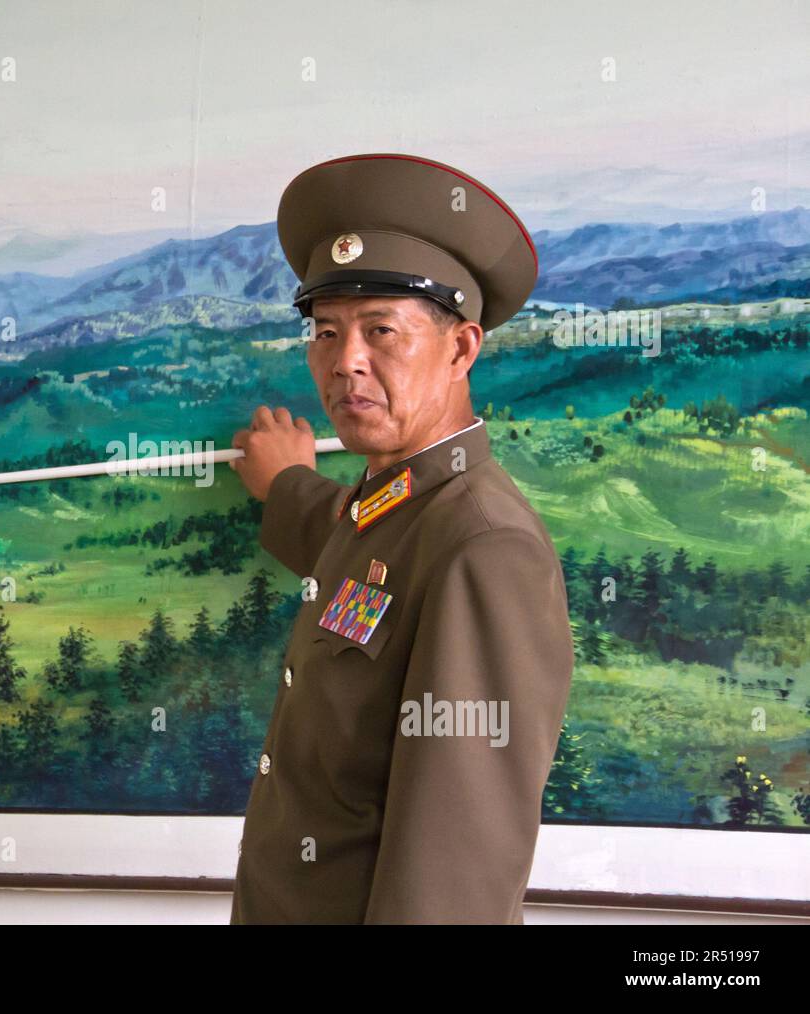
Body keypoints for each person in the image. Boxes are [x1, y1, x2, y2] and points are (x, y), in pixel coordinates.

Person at [227, 153, 574, 923]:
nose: (346, 361)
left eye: (381, 330)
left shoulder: (484, 549)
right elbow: (353, 545)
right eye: (325, 331)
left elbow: (452, 881)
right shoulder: (397, 504)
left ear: (460, 349)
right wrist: (285, 484)